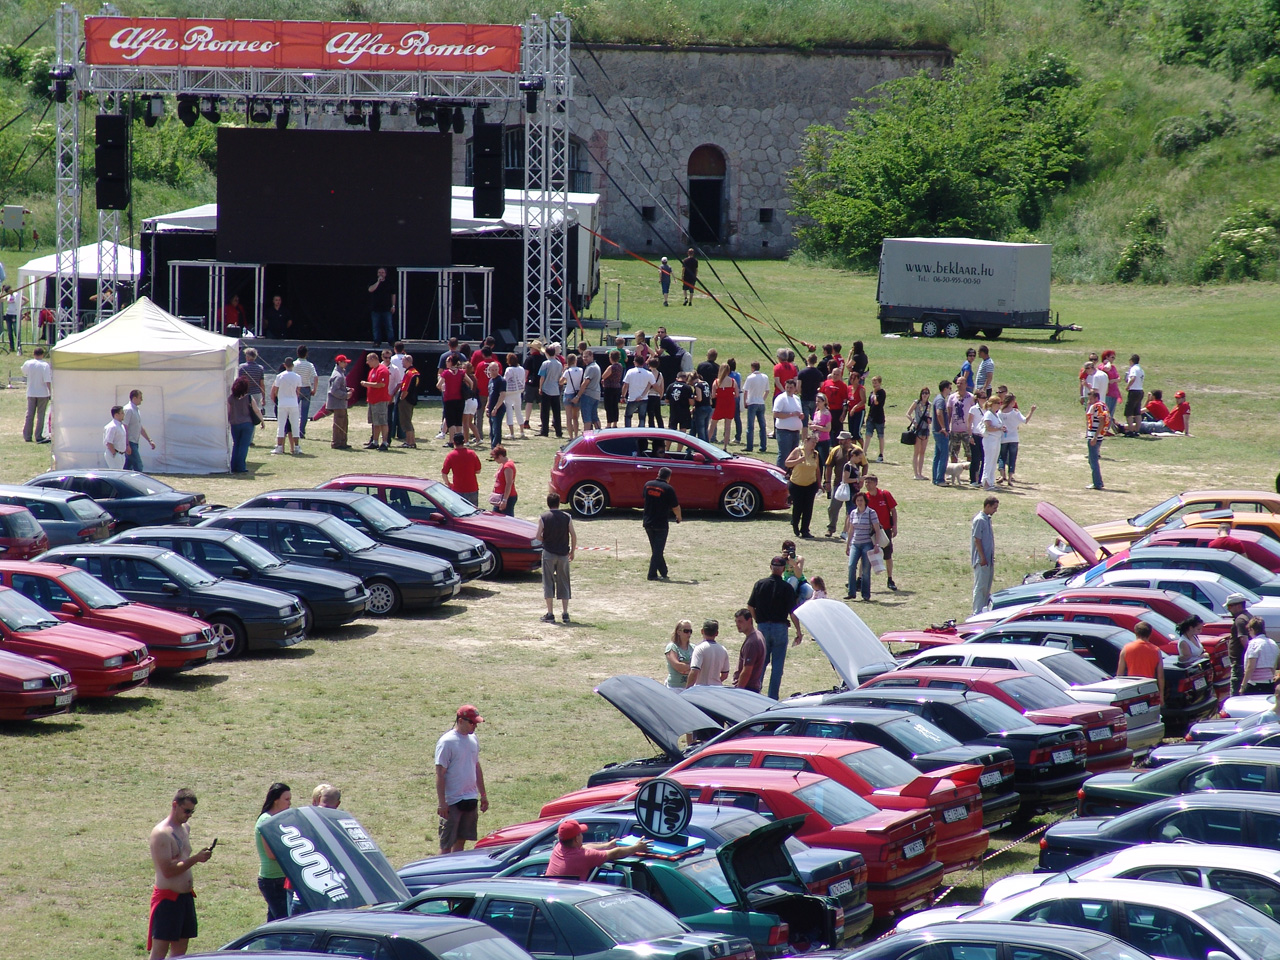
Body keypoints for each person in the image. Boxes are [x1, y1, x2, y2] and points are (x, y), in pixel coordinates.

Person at [148, 788, 212, 960]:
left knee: (180, 951)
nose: (189, 815)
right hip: (168, 899)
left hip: (185, 898)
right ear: (175, 805)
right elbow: (167, 871)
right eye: (187, 811)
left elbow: (182, 857)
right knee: (160, 951)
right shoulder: (161, 833)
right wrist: (196, 859)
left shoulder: (185, 828)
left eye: (192, 811)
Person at [748, 556, 804, 699]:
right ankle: (772, 698)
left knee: (761, 662)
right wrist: (798, 631)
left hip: (762, 627)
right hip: (780, 628)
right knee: (777, 666)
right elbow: (792, 612)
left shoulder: (760, 584)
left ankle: (755, 694)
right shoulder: (787, 588)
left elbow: (750, 606)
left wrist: (757, 621)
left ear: (770, 567)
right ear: (783, 570)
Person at [435, 705, 489, 854]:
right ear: (460, 720)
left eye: (476, 723)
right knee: (446, 843)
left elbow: (476, 767)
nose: (475, 726)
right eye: (472, 722)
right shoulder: (447, 742)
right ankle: (439, 873)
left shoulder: (473, 739)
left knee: (461, 841)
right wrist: (442, 802)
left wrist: (483, 795)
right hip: (452, 800)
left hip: (470, 798)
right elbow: (440, 773)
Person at [546, 819, 650, 879]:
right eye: (581, 834)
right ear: (576, 839)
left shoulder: (559, 847)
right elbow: (615, 854)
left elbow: (584, 847)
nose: (582, 836)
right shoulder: (584, 857)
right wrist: (637, 847)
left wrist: (607, 845)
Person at [254, 782, 291, 921]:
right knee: (283, 922)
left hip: (280, 878)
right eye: (286, 799)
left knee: (274, 922)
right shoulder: (266, 821)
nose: (289, 803)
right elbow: (272, 854)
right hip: (272, 880)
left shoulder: (277, 820)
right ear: (276, 800)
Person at [537, 493, 576, 623]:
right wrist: (573, 551)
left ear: (548, 503)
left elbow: (538, 536)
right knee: (564, 581)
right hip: (563, 553)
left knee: (548, 582)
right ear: (559, 503)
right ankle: (565, 613)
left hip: (548, 552)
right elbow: (573, 535)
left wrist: (545, 540)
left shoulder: (543, 517)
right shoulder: (567, 517)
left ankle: (550, 613)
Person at [643, 466, 681, 581]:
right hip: (660, 523)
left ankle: (663, 571)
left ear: (658, 474)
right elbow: (675, 506)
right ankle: (652, 574)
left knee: (656, 549)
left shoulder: (648, 485)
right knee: (658, 550)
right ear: (669, 477)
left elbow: (645, 497)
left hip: (648, 522)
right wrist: (678, 517)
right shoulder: (668, 488)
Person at [863, 474, 899, 592]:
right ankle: (861, 580)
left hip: (885, 530)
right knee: (866, 555)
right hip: (870, 531)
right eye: (866, 482)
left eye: (869, 482)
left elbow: (893, 510)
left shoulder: (885, 495)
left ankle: (890, 579)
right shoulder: (864, 497)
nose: (867, 485)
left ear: (876, 483)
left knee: (887, 555)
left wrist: (894, 526)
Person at [824, 433, 863, 536]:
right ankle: (831, 528)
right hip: (839, 484)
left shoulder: (857, 450)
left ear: (849, 440)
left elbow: (865, 464)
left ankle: (846, 531)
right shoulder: (835, 450)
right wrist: (827, 481)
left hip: (853, 487)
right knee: (833, 507)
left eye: (843, 440)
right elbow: (828, 466)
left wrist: (862, 480)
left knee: (851, 510)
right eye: (840, 440)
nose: (840, 442)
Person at [1117, 621, 1165, 703]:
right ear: (1150, 634)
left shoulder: (1126, 648)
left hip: (1132, 688)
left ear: (1135, 633)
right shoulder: (1156, 650)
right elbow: (1160, 676)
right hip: (1149, 687)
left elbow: (1120, 675)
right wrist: (1161, 696)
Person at [785, 433, 822, 539]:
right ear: (806, 441)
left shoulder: (815, 454)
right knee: (798, 507)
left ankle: (805, 530)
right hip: (796, 484)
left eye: (815, 443)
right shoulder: (798, 451)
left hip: (811, 484)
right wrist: (798, 460)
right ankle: (795, 524)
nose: (814, 444)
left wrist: (819, 484)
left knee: (808, 508)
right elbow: (787, 463)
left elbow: (817, 470)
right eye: (812, 442)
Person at [997, 395, 1035, 485]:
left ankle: (1002, 475)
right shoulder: (1015, 412)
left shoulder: (1000, 412)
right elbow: (1025, 420)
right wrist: (1031, 411)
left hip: (1003, 438)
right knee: (1012, 458)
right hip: (1013, 438)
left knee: (1002, 457)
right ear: (1011, 402)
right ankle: (1010, 478)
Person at [971, 496, 999, 615]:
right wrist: (982, 557)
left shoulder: (987, 519)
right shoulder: (979, 520)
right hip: (982, 560)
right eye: (994, 507)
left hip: (988, 559)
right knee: (980, 587)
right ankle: (976, 612)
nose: (995, 510)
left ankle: (983, 611)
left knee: (987, 588)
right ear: (987, 506)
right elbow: (977, 540)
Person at [271, 357, 302, 455]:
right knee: (295, 425)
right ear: (292, 365)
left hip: (282, 403)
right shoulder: (297, 376)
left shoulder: (280, 376)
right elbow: (298, 391)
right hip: (293, 403)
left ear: (285, 365)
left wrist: (280, 396)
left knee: (281, 425)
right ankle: (296, 447)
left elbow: (275, 390)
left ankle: (279, 447)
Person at [227, 376, 259, 473]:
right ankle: (241, 467)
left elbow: (229, 412)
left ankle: (233, 465)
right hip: (247, 423)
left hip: (235, 424)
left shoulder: (231, 399)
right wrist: (262, 421)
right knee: (244, 446)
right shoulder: (248, 397)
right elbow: (256, 410)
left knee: (236, 445)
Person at [21, 345, 52, 443]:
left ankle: (27, 436)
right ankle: (38, 436)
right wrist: (50, 392)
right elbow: (47, 380)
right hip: (42, 393)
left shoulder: (28, 363)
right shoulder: (45, 365)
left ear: (34, 354)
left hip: (31, 392)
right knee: (41, 415)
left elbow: (24, 371)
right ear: (42, 355)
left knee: (29, 415)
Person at [361, 351, 391, 451]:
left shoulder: (382, 370)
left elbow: (381, 384)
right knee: (375, 422)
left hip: (380, 400)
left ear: (374, 359)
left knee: (382, 422)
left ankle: (385, 442)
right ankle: (375, 441)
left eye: (368, 360)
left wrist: (367, 384)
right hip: (372, 400)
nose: (367, 363)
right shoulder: (373, 370)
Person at [687, 619, 730, 686]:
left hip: (701, 689)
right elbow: (725, 675)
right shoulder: (723, 650)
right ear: (717, 633)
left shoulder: (699, 648)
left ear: (702, 631)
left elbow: (694, 672)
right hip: (716, 689)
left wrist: (687, 690)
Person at [443, 433, 483, 505]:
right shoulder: (472, 454)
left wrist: (448, 483)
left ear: (454, 442)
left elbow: (444, 473)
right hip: (472, 488)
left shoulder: (451, 455)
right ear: (464, 441)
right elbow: (478, 470)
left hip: (458, 489)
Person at [732, 609, 766, 693]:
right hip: (752, 688)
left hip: (748, 689)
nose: (737, 624)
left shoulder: (752, 643)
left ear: (749, 620)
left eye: (740, 621)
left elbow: (747, 671)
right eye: (736, 621)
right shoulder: (758, 635)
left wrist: (739, 690)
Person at [773, 378, 803, 470]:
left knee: (794, 456)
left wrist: (801, 416)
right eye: (787, 387)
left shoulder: (797, 399)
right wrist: (791, 414)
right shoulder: (781, 398)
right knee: (784, 455)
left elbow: (799, 413)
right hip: (784, 432)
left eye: (791, 387)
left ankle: (790, 475)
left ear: (795, 389)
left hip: (795, 432)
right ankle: (780, 473)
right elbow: (776, 414)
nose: (789, 389)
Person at [122, 389, 156, 471]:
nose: (142, 400)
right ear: (134, 398)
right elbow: (124, 427)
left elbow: (139, 427)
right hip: (130, 442)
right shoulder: (128, 410)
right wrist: (127, 445)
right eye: (140, 398)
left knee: (128, 466)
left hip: (135, 442)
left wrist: (149, 440)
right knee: (138, 465)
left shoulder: (136, 410)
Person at [1243, 617, 1278, 694]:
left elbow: (1251, 667)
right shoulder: (1272, 643)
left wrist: (1243, 685)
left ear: (1252, 629)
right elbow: (1273, 666)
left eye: (1249, 630)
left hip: (1255, 684)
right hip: (1270, 683)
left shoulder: (1254, 643)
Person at [1227, 593, 1252, 696]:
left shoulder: (1240, 620)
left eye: (1230, 606)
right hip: (1243, 662)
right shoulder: (1247, 617)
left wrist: (1248, 656)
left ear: (1238, 606)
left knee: (1236, 692)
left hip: (1240, 663)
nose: (1229, 609)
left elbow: (1244, 639)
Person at [979, 397, 1005, 491]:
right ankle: (985, 482)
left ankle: (990, 482)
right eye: (998, 403)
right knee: (988, 460)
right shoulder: (988, 414)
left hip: (996, 439)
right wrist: (999, 429)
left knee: (994, 461)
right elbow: (988, 427)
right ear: (992, 404)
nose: (1000, 404)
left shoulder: (996, 415)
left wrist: (1001, 428)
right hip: (989, 439)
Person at [538, 344, 564, 438]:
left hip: (546, 389)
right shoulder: (559, 363)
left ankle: (545, 431)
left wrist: (540, 387)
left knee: (545, 412)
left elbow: (542, 377)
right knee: (556, 412)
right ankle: (558, 432)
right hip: (555, 389)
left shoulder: (546, 363)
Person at [325, 355, 351, 449]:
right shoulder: (338, 375)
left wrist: (347, 389)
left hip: (341, 403)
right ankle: (337, 442)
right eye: (344, 362)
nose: (346, 364)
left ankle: (342, 442)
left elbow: (339, 388)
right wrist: (345, 395)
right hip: (338, 403)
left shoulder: (340, 373)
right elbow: (334, 390)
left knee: (344, 422)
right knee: (339, 423)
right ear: (339, 362)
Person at [1085, 389, 1109, 490]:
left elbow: (1102, 421)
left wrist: (1094, 437)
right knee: (1092, 460)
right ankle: (1098, 482)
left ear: (1096, 398)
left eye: (1091, 399)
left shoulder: (1097, 406)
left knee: (1093, 460)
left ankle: (1097, 483)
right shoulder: (1103, 405)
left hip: (1094, 436)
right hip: (1098, 436)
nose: (1089, 401)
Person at [906, 387, 932, 480]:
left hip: (926, 429)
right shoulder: (917, 403)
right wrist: (914, 422)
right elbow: (907, 414)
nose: (925, 395)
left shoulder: (929, 405)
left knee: (922, 452)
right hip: (918, 429)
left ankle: (920, 473)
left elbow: (928, 416)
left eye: (926, 393)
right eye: (923, 393)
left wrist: (929, 420)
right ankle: (915, 473)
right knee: (916, 452)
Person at [711, 363, 737, 449]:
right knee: (728, 427)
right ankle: (725, 446)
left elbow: (713, 395)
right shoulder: (732, 381)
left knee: (712, 425)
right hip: (729, 404)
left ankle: (706, 441)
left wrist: (720, 394)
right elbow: (737, 394)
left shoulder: (716, 382)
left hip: (720, 404)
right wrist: (730, 394)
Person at [293, 345, 318, 438]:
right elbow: (315, 377)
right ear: (306, 354)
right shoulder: (310, 365)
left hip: (296, 388)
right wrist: (314, 389)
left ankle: (292, 430)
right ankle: (302, 431)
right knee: (304, 412)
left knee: (293, 410)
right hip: (307, 388)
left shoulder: (294, 364)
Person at [368, 267, 396, 348]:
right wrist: (378, 282)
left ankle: (391, 341)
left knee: (389, 326)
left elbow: (393, 294)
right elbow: (370, 289)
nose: (381, 274)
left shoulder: (389, 283)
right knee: (376, 326)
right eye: (379, 272)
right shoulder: (373, 282)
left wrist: (393, 305)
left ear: (385, 274)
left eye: (382, 272)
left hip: (387, 308)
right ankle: (377, 341)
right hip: (375, 309)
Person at [397, 355, 421, 448]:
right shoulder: (415, 372)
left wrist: (401, 398)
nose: (402, 363)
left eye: (403, 361)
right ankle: (411, 441)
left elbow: (405, 389)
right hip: (412, 399)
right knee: (408, 420)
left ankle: (409, 442)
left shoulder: (409, 373)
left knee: (406, 421)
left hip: (406, 400)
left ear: (408, 361)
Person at [931, 380, 951, 486]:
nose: (950, 390)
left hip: (936, 431)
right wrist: (943, 427)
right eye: (949, 388)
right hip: (940, 432)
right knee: (943, 456)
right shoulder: (941, 400)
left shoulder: (938, 398)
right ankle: (940, 479)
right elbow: (939, 413)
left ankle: (935, 478)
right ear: (945, 389)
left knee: (937, 455)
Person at [665, 620, 694, 688]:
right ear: (678, 632)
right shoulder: (672, 647)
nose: (689, 634)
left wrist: (686, 667)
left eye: (690, 631)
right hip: (675, 687)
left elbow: (700, 667)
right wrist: (693, 667)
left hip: (690, 687)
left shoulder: (694, 648)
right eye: (686, 631)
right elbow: (678, 666)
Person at [490, 446, 518, 516]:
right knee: (495, 517)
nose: (494, 460)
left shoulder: (508, 466)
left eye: (495, 458)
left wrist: (504, 500)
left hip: (507, 497)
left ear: (500, 456)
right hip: (500, 497)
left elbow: (509, 484)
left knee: (507, 520)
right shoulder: (503, 464)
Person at [865, 375, 887, 462]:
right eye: (873, 382)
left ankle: (881, 454)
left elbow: (877, 402)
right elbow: (870, 404)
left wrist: (874, 395)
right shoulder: (871, 392)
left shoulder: (881, 392)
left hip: (879, 417)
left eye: (876, 383)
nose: (874, 384)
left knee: (880, 436)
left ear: (880, 383)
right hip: (871, 416)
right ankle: (864, 452)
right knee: (868, 435)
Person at [600, 348, 624, 429]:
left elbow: (604, 376)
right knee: (614, 406)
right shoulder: (620, 366)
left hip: (609, 388)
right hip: (617, 387)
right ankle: (615, 423)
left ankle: (609, 423)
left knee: (609, 406)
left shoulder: (611, 367)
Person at [580, 349, 602, 431]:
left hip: (589, 395)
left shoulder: (591, 368)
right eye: (583, 357)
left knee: (587, 418)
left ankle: (586, 437)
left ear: (592, 356)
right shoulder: (596, 366)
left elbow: (585, 383)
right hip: (596, 394)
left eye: (587, 357)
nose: (585, 359)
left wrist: (578, 396)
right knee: (594, 417)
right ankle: (599, 433)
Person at [1123, 354, 1145, 436]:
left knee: (1128, 412)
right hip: (1140, 390)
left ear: (1131, 360)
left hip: (1134, 391)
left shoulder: (1133, 369)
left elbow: (1133, 378)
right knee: (1137, 412)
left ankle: (1130, 430)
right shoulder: (1141, 369)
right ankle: (1137, 430)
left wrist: (1128, 386)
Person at [644, 357, 666, 429]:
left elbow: (647, 385)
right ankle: (661, 428)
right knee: (658, 415)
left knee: (650, 415)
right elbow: (662, 386)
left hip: (649, 395)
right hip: (657, 396)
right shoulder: (660, 374)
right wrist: (661, 394)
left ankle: (652, 430)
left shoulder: (648, 374)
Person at [2, 284, 17, 352]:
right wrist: (2, 292)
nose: (10, 291)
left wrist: (20, 306)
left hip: (15, 314)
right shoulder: (7, 296)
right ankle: (12, 347)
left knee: (16, 331)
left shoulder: (17, 294)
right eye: (8, 291)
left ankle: (19, 345)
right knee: (10, 332)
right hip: (8, 314)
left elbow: (26, 300)